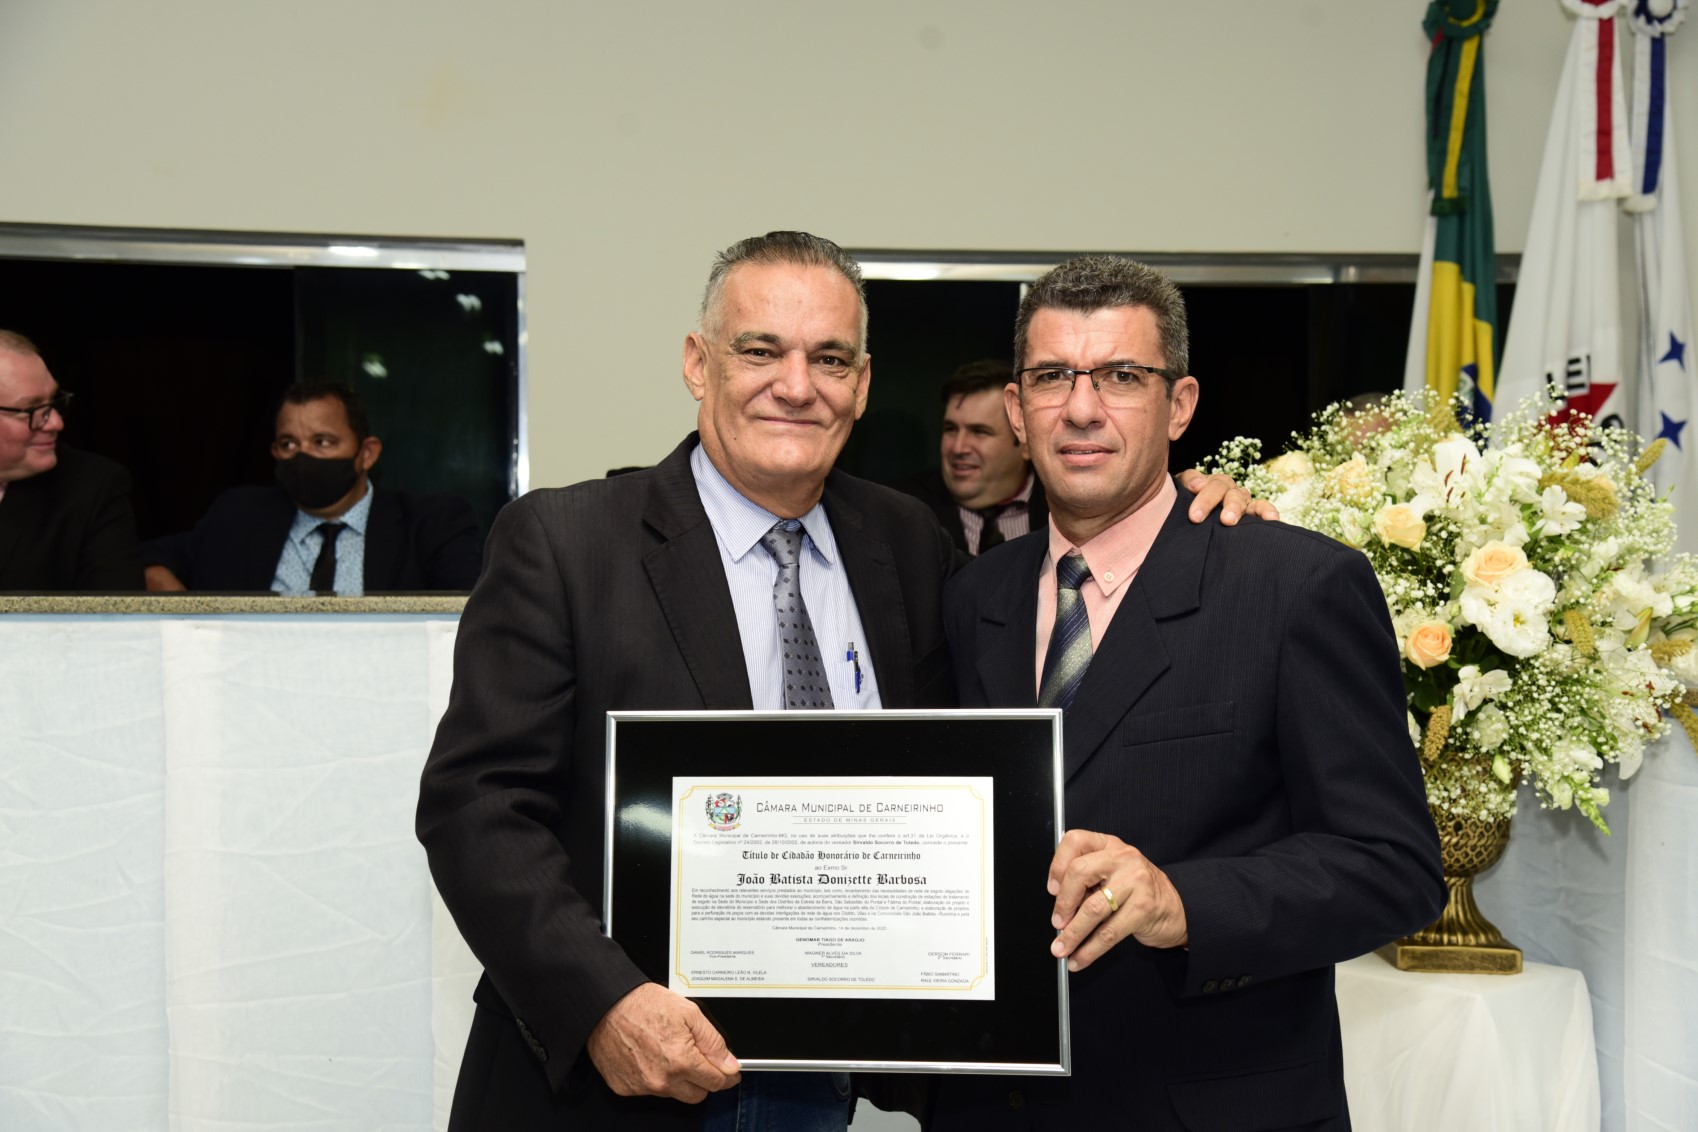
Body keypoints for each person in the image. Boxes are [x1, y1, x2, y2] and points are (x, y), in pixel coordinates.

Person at [415, 232, 1264, 1132]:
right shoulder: (567, 543)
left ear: (861, 385)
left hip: (821, 1088)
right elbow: (477, 806)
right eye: (760, 351)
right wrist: (603, 1005)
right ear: (699, 364)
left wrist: (1180, 513)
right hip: (610, 1087)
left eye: (828, 359)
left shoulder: (906, 543)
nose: (796, 386)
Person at [933, 256, 1444, 1129]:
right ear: (1017, 410)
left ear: (1180, 405)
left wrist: (1182, 903)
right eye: (1052, 377)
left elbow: (1393, 867)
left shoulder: (1295, 586)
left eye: (1121, 377)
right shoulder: (974, 596)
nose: (1082, 408)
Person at [143, 380, 481, 593]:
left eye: (322, 442)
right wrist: (181, 616)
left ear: (366, 453)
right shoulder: (238, 515)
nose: (303, 457)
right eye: (289, 444)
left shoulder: (430, 525)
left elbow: (471, 614)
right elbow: (146, 560)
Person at [0, 330, 142, 590]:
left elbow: (115, 612)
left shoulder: (92, 488)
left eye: (53, 401)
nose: (56, 422)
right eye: (32, 410)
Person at [905, 359, 1047, 556]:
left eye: (979, 431)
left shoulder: (1064, 507)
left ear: (1026, 443)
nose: (958, 447)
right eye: (951, 429)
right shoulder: (904, 512)